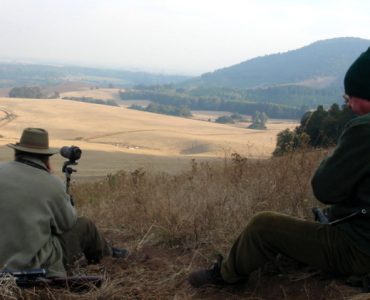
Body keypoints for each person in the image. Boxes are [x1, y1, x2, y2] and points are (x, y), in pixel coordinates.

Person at [188, 46, 370, 287]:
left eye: (349, 98)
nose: (347, 105)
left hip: (360, 250)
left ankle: (225, 277)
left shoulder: (363, 130)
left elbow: (325, 190)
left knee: (263, 226)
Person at [0, 128, 128, 277]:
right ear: (45, 157)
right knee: (85, 226)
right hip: (33, 265)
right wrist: (65, 200)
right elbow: (67, 223)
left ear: (17, 151)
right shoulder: (52, 183)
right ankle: (109, 257)